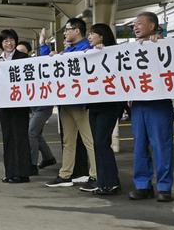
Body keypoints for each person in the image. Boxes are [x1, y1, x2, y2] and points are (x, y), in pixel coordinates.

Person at [45, 18, 97, 188]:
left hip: (81, 103)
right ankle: (65, 174)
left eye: (67, 29)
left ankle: (96, 175)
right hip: (66, 101)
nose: (65, 33)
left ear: (77, 31)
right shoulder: (69, 50)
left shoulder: (87, 49)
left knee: (89, 140)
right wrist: (47, 50)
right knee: (68, 141)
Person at [129, 12, 174, 202]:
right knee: (139, 146)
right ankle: (142, 185)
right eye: (134, 25)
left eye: (139, 23)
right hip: (138, 104)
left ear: (153, 26)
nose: (135, 27)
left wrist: (160, 42)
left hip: (159, 103)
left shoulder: (163, 44)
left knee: (161, 146)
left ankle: (164, 187)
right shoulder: (132, 49)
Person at [80, 23, 124, 195]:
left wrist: (105, 51)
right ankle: (103, 181)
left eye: (92, 34)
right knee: (98, 144)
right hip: (94, 105)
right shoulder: (90, 54)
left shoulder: (114, 52)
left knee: (102, 142)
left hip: (110, 106)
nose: (89, 37)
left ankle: (111, 182)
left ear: (102, 36)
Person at [0, 29, 32, 183]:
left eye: (12, 40)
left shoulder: (23, 57)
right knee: (7, 137)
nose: (9, 43)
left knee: (20, 137)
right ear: (1, 44)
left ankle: (23, 173)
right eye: (6, 41)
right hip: (5, 105)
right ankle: (10, 172)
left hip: (20, 104)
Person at [19, 39, 57, 173]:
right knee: (36, 134)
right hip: (33, 108)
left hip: (43, 107)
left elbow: (46, 60)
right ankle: (48, 158)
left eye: (22, 52)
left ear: (29, 53)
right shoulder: (17, 66)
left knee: (31, 133)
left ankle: (32, 165)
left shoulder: (35, 64)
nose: (20, 55)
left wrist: (43, 45)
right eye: (17, 52)